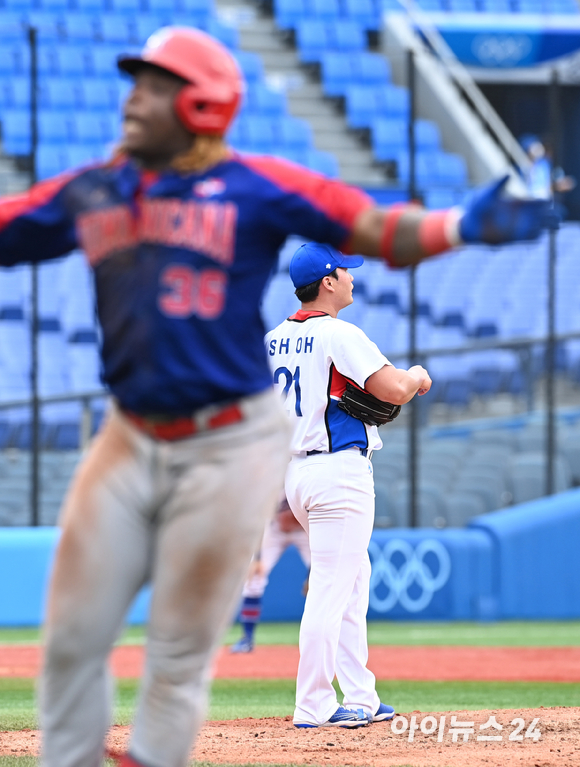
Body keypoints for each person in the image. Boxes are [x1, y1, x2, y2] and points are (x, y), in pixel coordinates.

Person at [0, 24, 552, 767]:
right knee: (72, 624)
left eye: (154, 85)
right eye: (135, 82)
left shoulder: (255, 188)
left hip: (230, 446)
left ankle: (161, 752)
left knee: (182, 639)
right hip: (132, 434)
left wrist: (462, 225)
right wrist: (413, 375)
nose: (132, 97)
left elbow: (373, 224)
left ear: (201, 106)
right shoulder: (96, 189)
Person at [266, 242, 432, 729]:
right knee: (331, 590)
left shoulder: (274, 338)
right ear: (327, 282)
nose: (353, 278)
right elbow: (395, 390)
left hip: (298, 469)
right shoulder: (338, 333)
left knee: (352, 582)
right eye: (345, 271)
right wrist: (418, 375)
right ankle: (313, 704)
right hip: (337, 470)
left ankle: (360, 691)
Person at [230, 494, 310, 654]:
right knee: (253, 580)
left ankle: (324, 642)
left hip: (305, 530)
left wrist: (312, 573)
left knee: (321, 581)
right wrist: (257, 557)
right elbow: (259, 520)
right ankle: (247, 638)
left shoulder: (306, 477)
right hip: (275, 531)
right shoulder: (274, 479)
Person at [520, 133, 575, 200]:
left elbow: (546, 187)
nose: (537, 150)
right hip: (527, 199)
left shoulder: (544, 165)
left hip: (540, 201)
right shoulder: (522, 165)